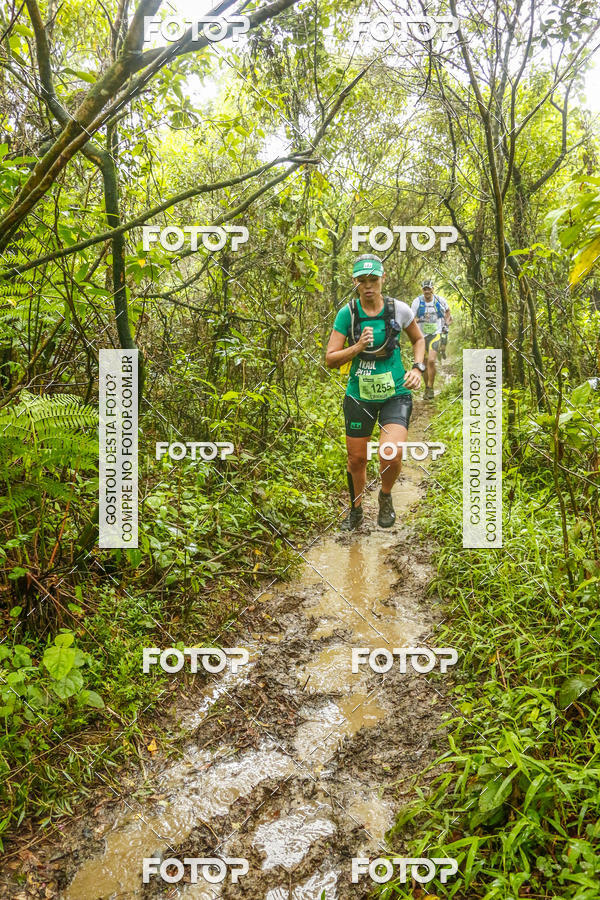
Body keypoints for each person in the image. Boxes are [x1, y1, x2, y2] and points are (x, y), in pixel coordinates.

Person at [326, 254, 426, 530]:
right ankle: (356, 509)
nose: (368, 286)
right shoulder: (348, 314)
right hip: (359, 394)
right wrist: (357, 347)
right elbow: (331, 359)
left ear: (383, 279)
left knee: (390, 452)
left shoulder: (399, 310)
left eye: (373, 279)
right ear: (356, 283)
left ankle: (385, 495)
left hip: (395, 392)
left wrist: (417, 369)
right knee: (356, 459)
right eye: (362, 281)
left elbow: (418, 339)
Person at [411, 279, 451, 399]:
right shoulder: (417, 302)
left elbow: (448, 312)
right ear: (422, 290)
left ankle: (430, 388)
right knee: (423, 363)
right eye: (425, 289)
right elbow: (411, 319)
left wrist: (446, 324)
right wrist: (420, 319)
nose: (427, 291)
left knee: (431, 361)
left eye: (429, 288)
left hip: (436, 334)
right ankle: (427, 389)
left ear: (433, 289)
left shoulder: (440, 301)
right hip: (421, 336)